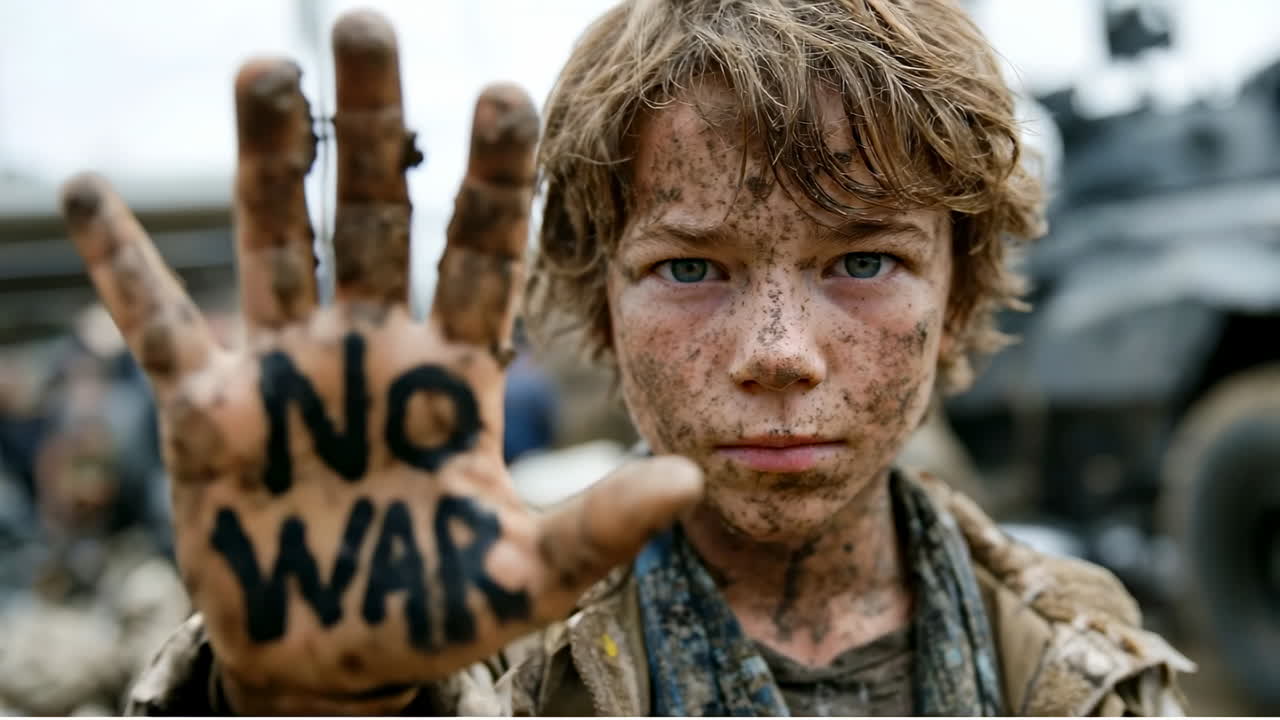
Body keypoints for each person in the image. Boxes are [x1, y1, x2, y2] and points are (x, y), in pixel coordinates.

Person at [58, 1, 1192, 715]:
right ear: (598, 307)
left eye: (861, 262)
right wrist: (300, 706)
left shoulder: (1087, 657)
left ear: (958, 295)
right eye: (690, 271)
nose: (779, 355)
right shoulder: (485, 661)